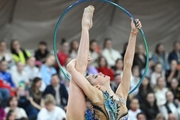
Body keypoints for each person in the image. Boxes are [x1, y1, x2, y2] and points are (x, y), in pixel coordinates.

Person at [66, 5, 142, 120]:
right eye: (96, 76)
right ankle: (85, 27)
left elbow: (128, 64)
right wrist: (71, 69)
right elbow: (77, 72)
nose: (100, 73)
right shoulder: (97, 95)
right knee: (79, 70)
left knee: (79, 69)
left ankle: (85, 27)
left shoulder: (121, 97)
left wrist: (133, 33)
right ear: (97, 86)